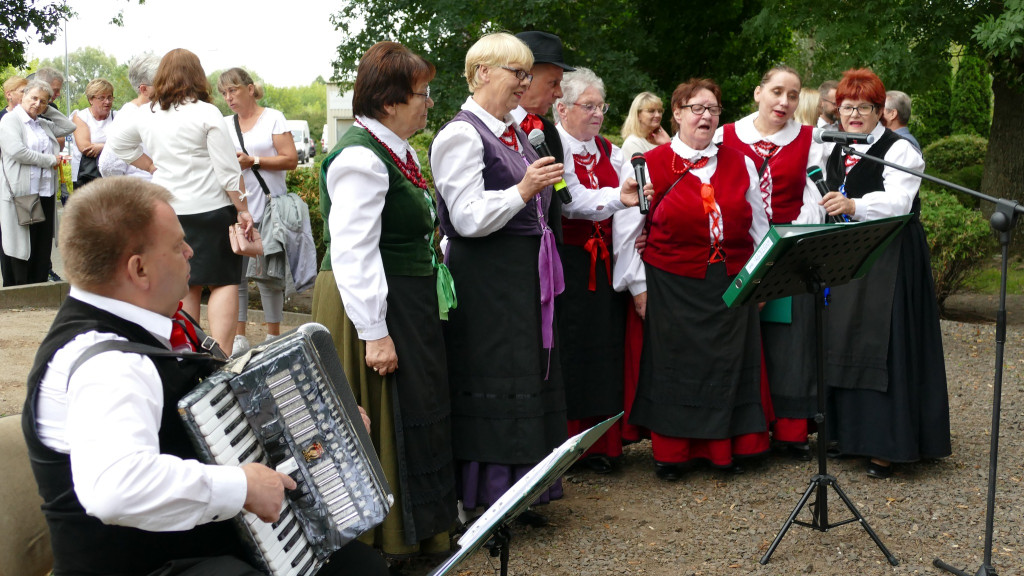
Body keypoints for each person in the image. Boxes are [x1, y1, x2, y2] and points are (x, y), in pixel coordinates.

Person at [22, 176, 389, 576]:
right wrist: (241, 487)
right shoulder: (109, 365)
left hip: (199, 542)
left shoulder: (152, 323)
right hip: (143, 565)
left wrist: (325, 424)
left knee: (358, 567)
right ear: (139, 269)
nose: (190, 251)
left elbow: (216, 416)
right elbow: (115, 490)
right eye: (178, 245)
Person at [310, 41, 458, 560]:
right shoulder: (359, 157)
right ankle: (379, 543)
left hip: (403, 297)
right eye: (422, 93)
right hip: (368, 306)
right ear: (390, 101)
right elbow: (353, 252)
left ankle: (419, 531)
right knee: (382, 415)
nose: (429, 102)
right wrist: (374, 333)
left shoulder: (395, 148)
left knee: (415, 407)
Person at [429, 32, 567, 525]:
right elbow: (464, 218)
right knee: (494, 379)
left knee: (525, 375)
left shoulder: (515, 132)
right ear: (483, 72)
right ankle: (488, 495)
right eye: (518, 73)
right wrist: (522, 190)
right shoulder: (461, 134)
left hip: (521, 274)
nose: (524, 84)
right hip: (486, 278)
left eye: (528, 75)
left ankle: (524, 491)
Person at [622, 78, 771, 481]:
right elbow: (628, 230)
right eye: (696, 108)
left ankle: (724, 451)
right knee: (676, 368)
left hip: (730, 282)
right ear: (677, 114)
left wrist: (758, 280)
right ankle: (674, 454)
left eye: (713, 109)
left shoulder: (742, 162)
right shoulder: (649, 163)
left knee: (727, 366)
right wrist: (639, 287)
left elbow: (760, 226)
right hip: (672, 283)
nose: (705, 116)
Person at [819, 68, 950, 479]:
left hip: (892, 255)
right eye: (847, 107)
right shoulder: (834, 148)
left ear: (881, 111)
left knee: (885, 342)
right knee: (845, 337)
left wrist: (855, 206)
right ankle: (848, 436)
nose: (854, 115)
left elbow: (898, 201)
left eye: (864, 107)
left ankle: (887, 445)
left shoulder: (900, 151)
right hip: (849, 254)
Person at [109, 48, 253, 355]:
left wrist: (149, 165)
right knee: (224, 283)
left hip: (168, 211)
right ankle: (222, 357)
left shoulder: (147, 113)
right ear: (197, 76)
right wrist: (243, 210)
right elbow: (227, 170)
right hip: (212, 208)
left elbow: (119, 144)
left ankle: (190, 353)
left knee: (186, 283)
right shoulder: (206, 113)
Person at [715, 65, 826, 461]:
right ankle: (745, 429)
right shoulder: (724, 135)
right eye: (777, 92)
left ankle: (790, 429)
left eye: (793, 95)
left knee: (790, 341)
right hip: (737, 249)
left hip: (790, 248)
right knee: (739, 337)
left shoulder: (810, 140)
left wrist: (786, 244)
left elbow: (815, 198)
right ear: (758, 93)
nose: (785, 102)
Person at [554, 67, 647, 473]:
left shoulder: (611, 151)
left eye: (600, 106)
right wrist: (618, 200)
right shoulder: (553, 147)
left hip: (606, 261)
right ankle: (569, 445)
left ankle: (604, 444)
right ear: (561, 108)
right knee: (572, 353)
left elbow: (631, 210)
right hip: (568, 264)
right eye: (587, 105)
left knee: (606, 351)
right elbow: (570, 201)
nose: (596, 114)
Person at [217, 67, 298, 353]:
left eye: (233, 90)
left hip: (269, 207)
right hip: (236, 207)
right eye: (224, 93)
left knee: (268, 275)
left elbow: (291, 160)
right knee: (235, 275)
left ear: (250, 89)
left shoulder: (273, 118)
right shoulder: (225, 124)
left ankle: (273, 336)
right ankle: (240, 337)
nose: (229, 97)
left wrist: (254, 161)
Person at [617, 90, 670, 446]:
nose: (655, 116)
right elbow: (635, 205)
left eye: (659, 111)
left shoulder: (659, 141)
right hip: (643, 252)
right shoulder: (634, 147)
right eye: (648, 111)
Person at [0, 79, 75, 286]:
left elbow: (69, 126)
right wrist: (50, 160)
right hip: (21, 191)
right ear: (23, 96)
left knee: (41, 243)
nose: (37, 104)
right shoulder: (10, 120)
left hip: (44, 191)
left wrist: (45, 109)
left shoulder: (42, 122)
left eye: (43, 101)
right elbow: (16, 151)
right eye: (33, 98)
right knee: (19, 244)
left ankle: (39, 284)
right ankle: (18, 288)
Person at [512, 30, 575, 243]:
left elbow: (570, 195)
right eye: (553, 83)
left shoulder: (551, 133)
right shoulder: (486, 129)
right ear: (525, 77)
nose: (559, 93)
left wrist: (618, 198)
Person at [98, 53, 160, 180]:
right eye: (162, 83)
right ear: (144, 89)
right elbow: (108, 166)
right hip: (142, 192)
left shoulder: (158, 111)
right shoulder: (128, 115)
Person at [1, 75, 28, 286]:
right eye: (23, 91)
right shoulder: (3, 118)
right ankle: (11, 283)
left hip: (26, 185)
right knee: (7, 234)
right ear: (9, 95)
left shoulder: (32, 118)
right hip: (6, 185)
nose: (27, 95)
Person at [71, 78, 115, 189]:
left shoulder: (117, 117)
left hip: (112, 176)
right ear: (91, 99)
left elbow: (127, 144)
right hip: (86, 175)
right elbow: (86, 148)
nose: (107, 102)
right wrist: (113, 147)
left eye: (110, 97)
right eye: (102, 98)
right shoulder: (81, 117)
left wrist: (101, 147)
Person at [621, 91, 671, 158]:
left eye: (660, 111)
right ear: (638, 114)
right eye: (651, 111)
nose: (658, 115)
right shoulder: (633, 143)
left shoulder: (662, 140)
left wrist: (667, 144)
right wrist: (667, 146)